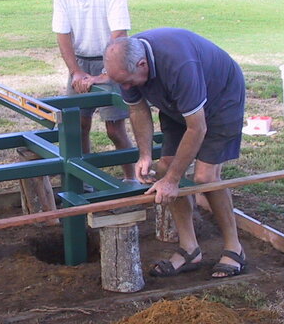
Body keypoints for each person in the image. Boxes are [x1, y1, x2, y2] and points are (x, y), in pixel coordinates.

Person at [103, 28, 248, 278]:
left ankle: (235, 248)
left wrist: (172, 181)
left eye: (127, 82)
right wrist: (145, 154)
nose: (125, 87)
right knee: (163, 168)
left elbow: (197, 126)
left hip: (221, 99)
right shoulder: (127, 67)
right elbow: (137, 110)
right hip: (177, 104)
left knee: (205, 177)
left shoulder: (180, 64)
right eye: (121, 83)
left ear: (142, 64)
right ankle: (190, 248)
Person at [52, 0, 135, 179]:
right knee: (78, 126)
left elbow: (119, 32)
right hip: (80, 60)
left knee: (114, 127)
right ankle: (85, 180)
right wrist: (75, 71)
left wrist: (106, 73)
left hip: (112, 57)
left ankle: (132, 177)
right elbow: (62, 33)